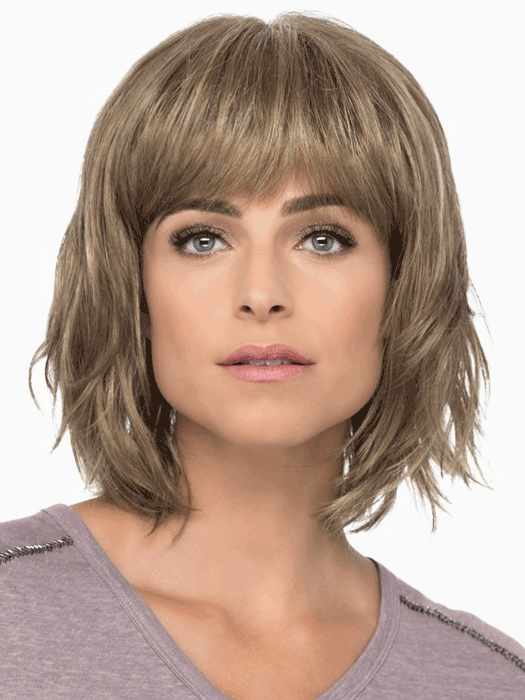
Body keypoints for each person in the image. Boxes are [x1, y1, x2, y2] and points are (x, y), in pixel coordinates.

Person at [1, 10, 523, 700]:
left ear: (405, 284)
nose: (261, 294)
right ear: (132, 287)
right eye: (202, 239)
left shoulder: (490, 681)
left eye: (323, 239)